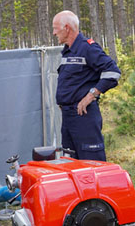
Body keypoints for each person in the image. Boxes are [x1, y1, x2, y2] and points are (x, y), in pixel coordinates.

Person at [52, 10, 121, 161]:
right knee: (71, 164)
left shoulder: (87, 48)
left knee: (92, 165)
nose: (54, 33)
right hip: (68, 117)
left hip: (84, 116)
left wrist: (92, 95)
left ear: (67, 28)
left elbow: (113, 72)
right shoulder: (68, 52)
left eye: (56, 28)